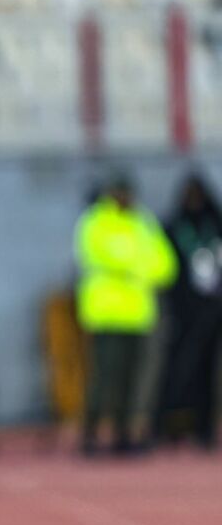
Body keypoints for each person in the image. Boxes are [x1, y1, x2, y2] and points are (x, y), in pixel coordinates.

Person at [75, 171, 177, 456]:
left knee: (133, 380)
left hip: (139, 314)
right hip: (107, 313)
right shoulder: (96, 221)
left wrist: (134, 267)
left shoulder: (143, 222)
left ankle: (122, 434)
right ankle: (90, 433)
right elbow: (101, 256)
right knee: (105, 378)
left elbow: (166, 265)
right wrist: (137, 267)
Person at [150, 173, 222, 450]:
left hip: (213, 309)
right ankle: (166, 425)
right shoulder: (174, 225)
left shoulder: (215, 223)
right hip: (184, 311)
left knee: (207, 372)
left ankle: (204, 428)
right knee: (177, 369)